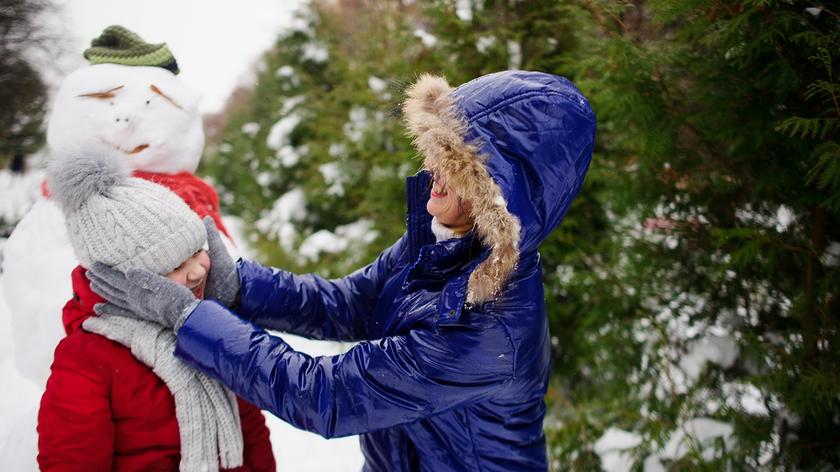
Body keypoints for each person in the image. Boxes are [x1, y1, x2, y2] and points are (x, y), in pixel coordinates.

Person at [89, 70, 596, 471]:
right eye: (437, 150)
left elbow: (325, 394)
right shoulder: (442, 246)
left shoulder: (490, 328)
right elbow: (348, 303)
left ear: (499, 197)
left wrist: (188, 320)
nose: (435, 171)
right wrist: (238, 284)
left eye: (460, 166)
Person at [37, 147, 276, 471]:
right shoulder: (88, 358)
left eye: (196, 251)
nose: (197, 271)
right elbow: (72, 459)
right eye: (175, 266)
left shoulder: (210, 320)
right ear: (123, 280)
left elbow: (249, 426)